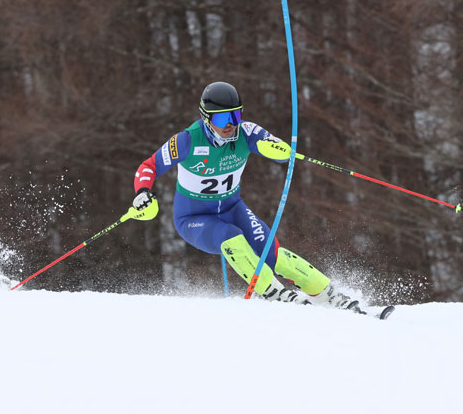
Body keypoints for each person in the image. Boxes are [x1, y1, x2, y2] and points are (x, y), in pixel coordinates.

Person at [131, 81, 362, 312]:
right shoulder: (187, 140)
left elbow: (275, 149)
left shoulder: (246, 132)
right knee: (230, 237)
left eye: (236, 115)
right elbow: (149, 165)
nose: (231, 124)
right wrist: (142, 192)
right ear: (206, 118)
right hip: (194, 218)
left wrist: (280, 150)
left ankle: (330, 295)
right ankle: (274, 293)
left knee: (271, 253)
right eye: (222, 119)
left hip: (233, 209)